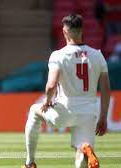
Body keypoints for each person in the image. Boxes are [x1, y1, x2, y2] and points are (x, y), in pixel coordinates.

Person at [22, 14, 110, 168]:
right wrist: (103, 118)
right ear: (82, 30)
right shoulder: (98, 55)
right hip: (89, 112)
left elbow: (51, 85)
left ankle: (30, 163)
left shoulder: (58, 55)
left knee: (34, 111)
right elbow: (106, 89)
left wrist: (48, 101)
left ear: (64, 32)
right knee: (81, 156)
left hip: (65, 110)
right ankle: (84, 149)